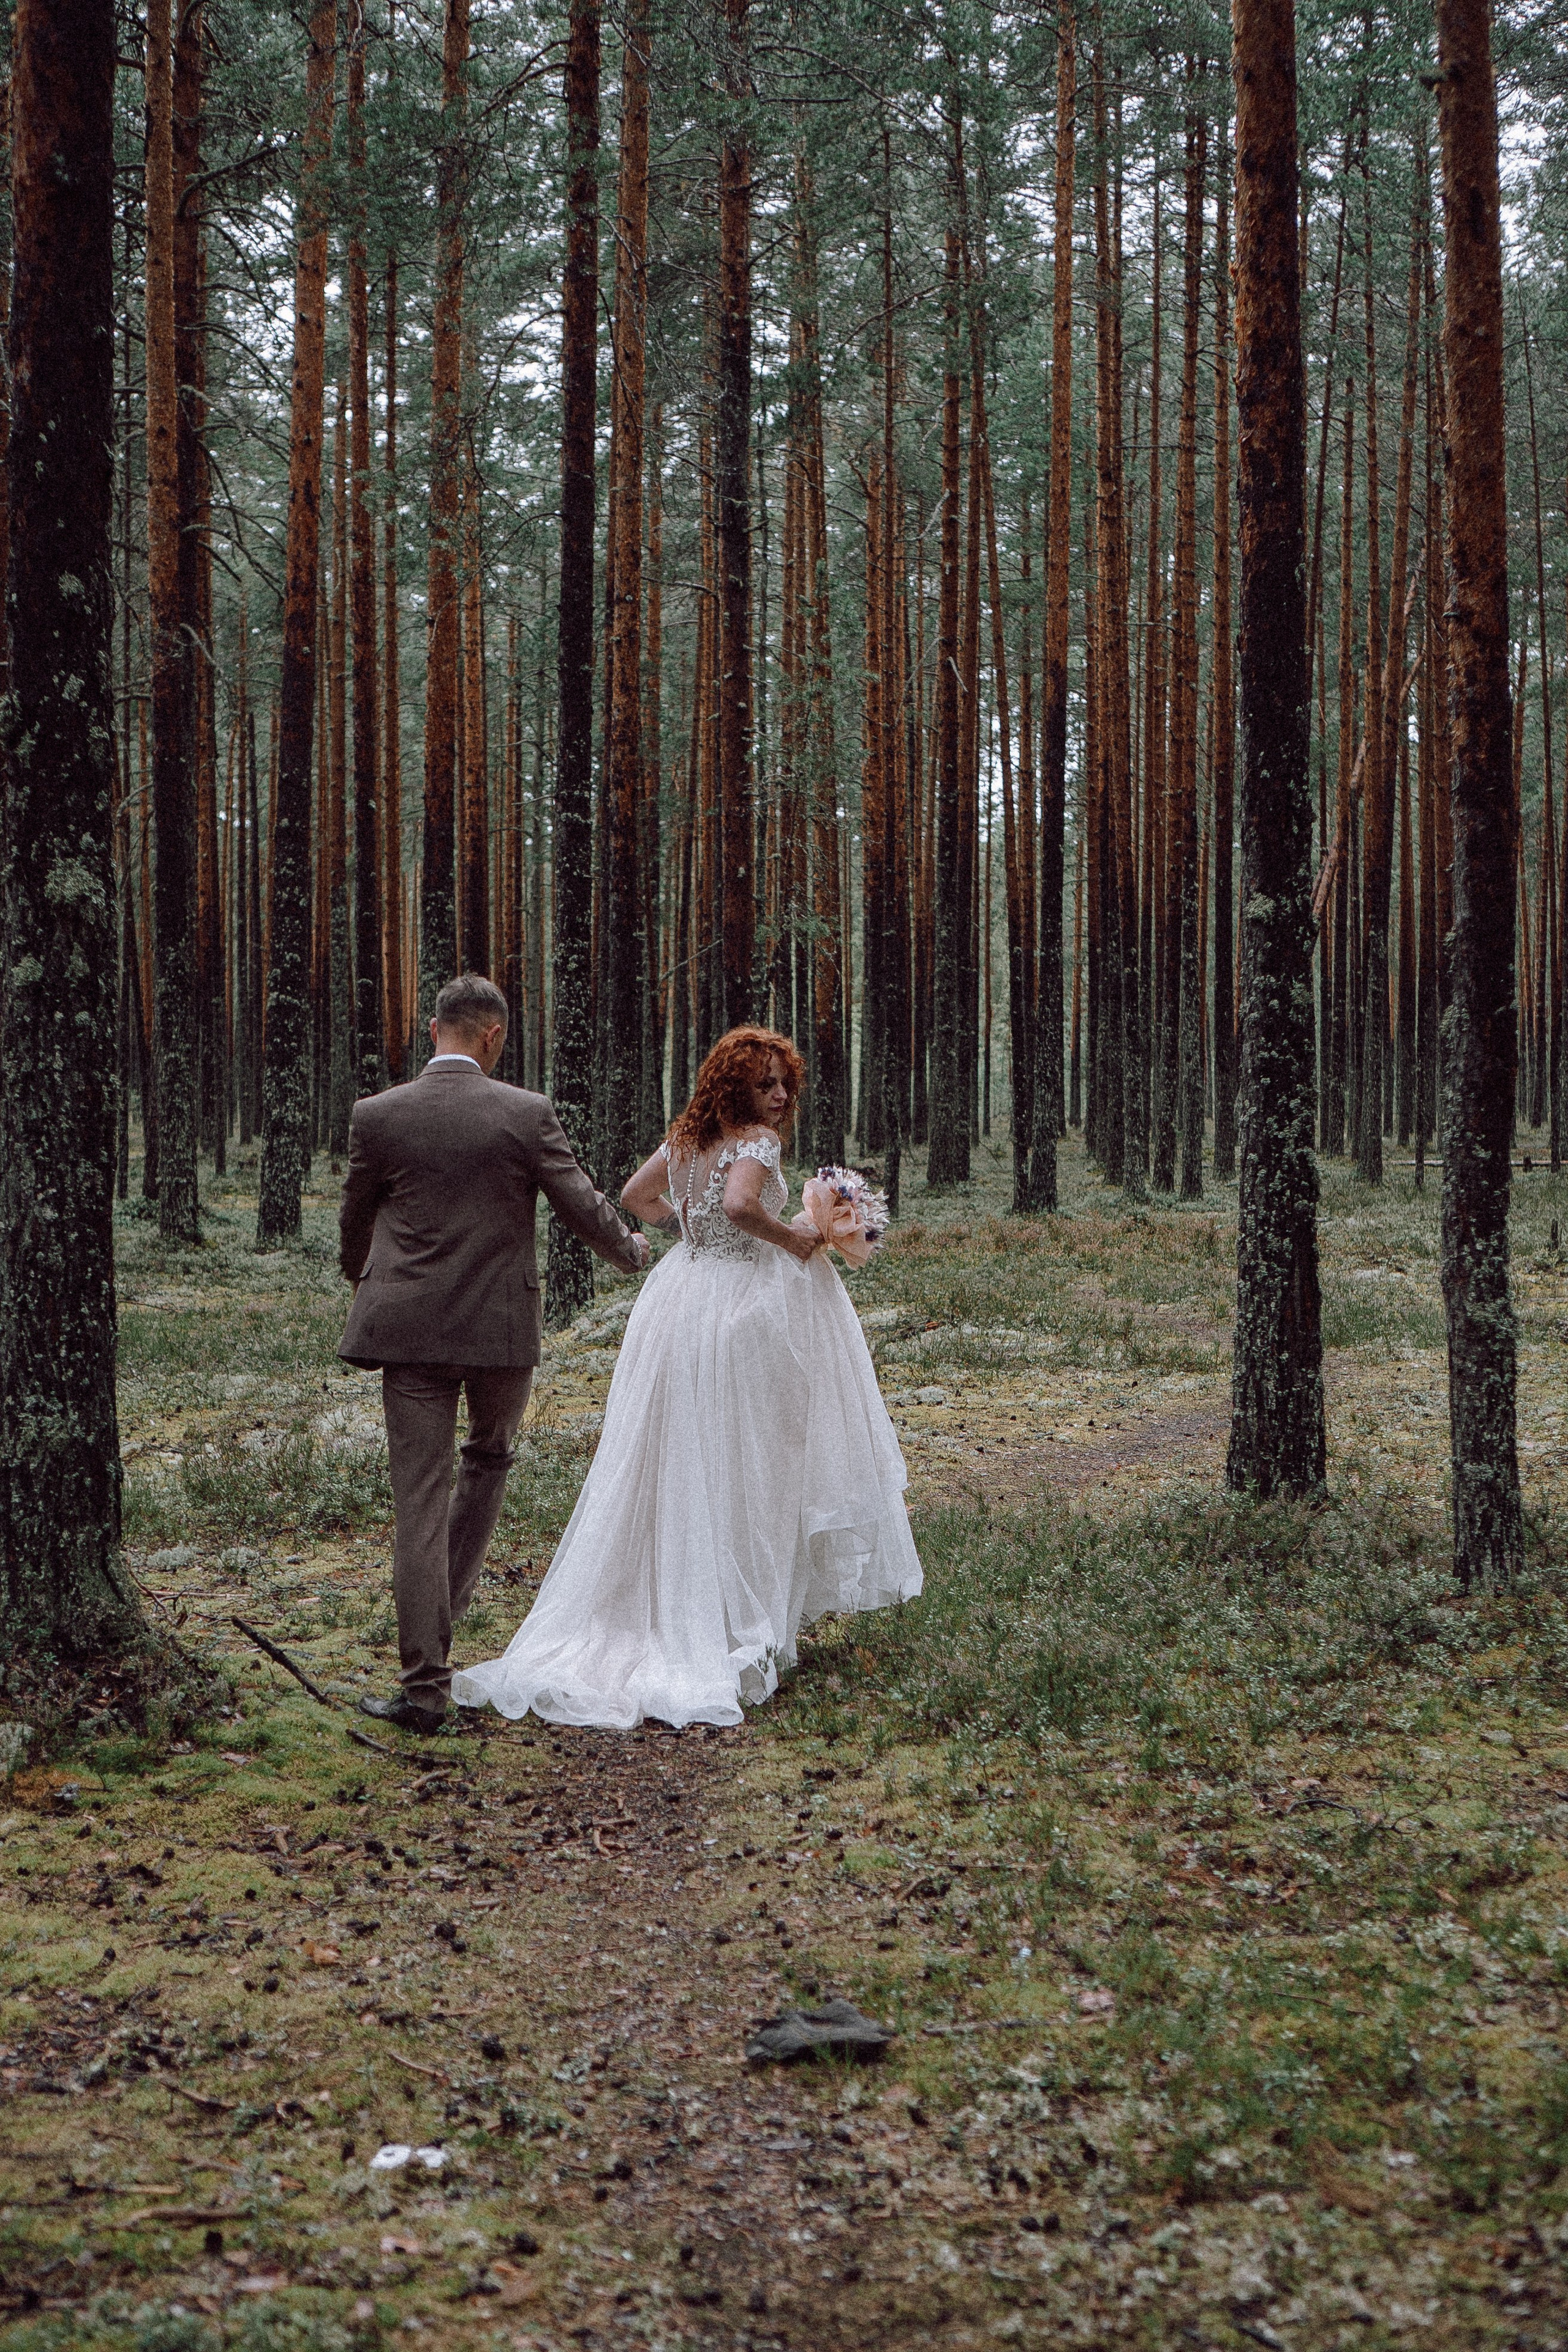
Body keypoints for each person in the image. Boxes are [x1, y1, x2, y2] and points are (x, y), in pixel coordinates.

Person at [453, 1025, 923, 1732]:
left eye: (783, 1081)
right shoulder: (757, 1143)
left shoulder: (687, 1138)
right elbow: (738, 1206)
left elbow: (637, 1198)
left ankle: (686, 1606)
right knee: (746, 1458)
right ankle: (735, 1623)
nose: (780, 1094)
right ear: (736, 1086)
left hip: (680, 1298)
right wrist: (788, 1237)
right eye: (765, 1082)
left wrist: (693, 1226)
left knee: (674, 1453)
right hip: (737, 1307)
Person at [338, 972, 649, 1735]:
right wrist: (631, 1251)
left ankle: (424, 1687)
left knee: (418, 1495)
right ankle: (441, 1625)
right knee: (488, 1461)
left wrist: (372, 1282)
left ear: (431, 1028)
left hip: (407, 1330)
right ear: (494, 1036)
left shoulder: (378, 1116)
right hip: (501, 1334)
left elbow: (354, 1221)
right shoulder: (525, 1114)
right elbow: (582, 1206)